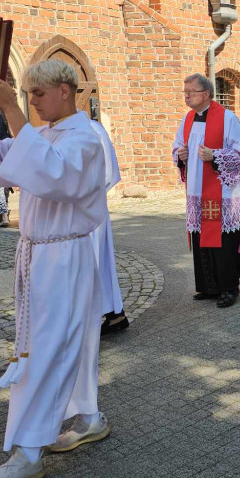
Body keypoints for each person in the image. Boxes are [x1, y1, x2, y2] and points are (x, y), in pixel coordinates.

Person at [0, 60, 110, 478]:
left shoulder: (85, 136)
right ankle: (91, 416)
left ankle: (28, 451)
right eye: (27, 95)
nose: (32, 102)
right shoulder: (40, 133)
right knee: (62, 341)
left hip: (65, 254)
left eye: (36, 94)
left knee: (48, 348)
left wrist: (10, 111)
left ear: (65, 90)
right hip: (37, 256)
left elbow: (54, 175)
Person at [172, 73, 240, 308]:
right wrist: (180, 155)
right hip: (197, 190)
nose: (186, 95)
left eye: (191, 91)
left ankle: (229, 287)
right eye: (185, 91)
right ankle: (209, 286)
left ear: (206, 93)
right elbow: (177, 145)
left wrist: (215, 155)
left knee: (223, 241)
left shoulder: (228, 118)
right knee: (200, 238)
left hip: (222, 192)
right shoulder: (187, 119)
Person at [87, 116, 130, 335]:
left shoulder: (92, 129)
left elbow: (108, 172)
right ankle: (114, 315)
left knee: (96, 262)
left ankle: (104, 317)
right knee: (96, 264)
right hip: (82, 210)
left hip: (89, 208)